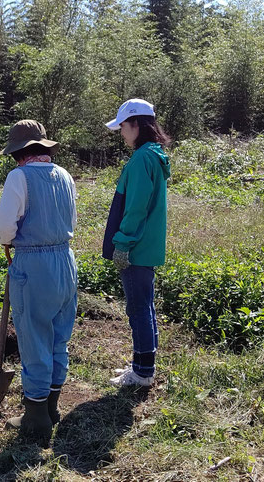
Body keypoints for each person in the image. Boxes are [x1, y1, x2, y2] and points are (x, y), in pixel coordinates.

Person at [0, 120, 78, 443]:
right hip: (65, 262)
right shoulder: (65, 176)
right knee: (58, 336)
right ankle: (51, 408)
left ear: (20, 153)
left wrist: (9, 242)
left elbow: (6, 226)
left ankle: (35, 418)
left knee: (34, 338)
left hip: (33, 264)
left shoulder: (20, 177)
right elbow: (71, 220)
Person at [102, 99, 171, 387]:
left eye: (122, 126)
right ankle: (144, 365)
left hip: (137, 248)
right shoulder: (153, 155)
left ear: (137, 125)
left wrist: (123, 243)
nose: (120, 132)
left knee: (138, 308)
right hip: (147, 246)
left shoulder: (143, 158)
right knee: (145, 306)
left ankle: (142, 373)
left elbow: (137, 207)